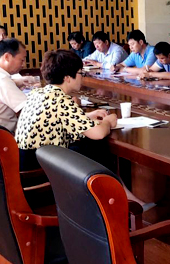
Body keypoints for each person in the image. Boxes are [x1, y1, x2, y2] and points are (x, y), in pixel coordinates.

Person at [15, 49, 150, 207]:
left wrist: (88, 116)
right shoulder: (61, 101)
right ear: (67, 77)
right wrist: (109, 121)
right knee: (94, 145)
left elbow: (57, 119)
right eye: (80, 73)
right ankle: (120, 200)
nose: (82, 77)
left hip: (29, 165)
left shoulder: (39, 93)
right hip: (40, 175)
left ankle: (121, 196)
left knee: (87, 146)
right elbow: (98, 133)